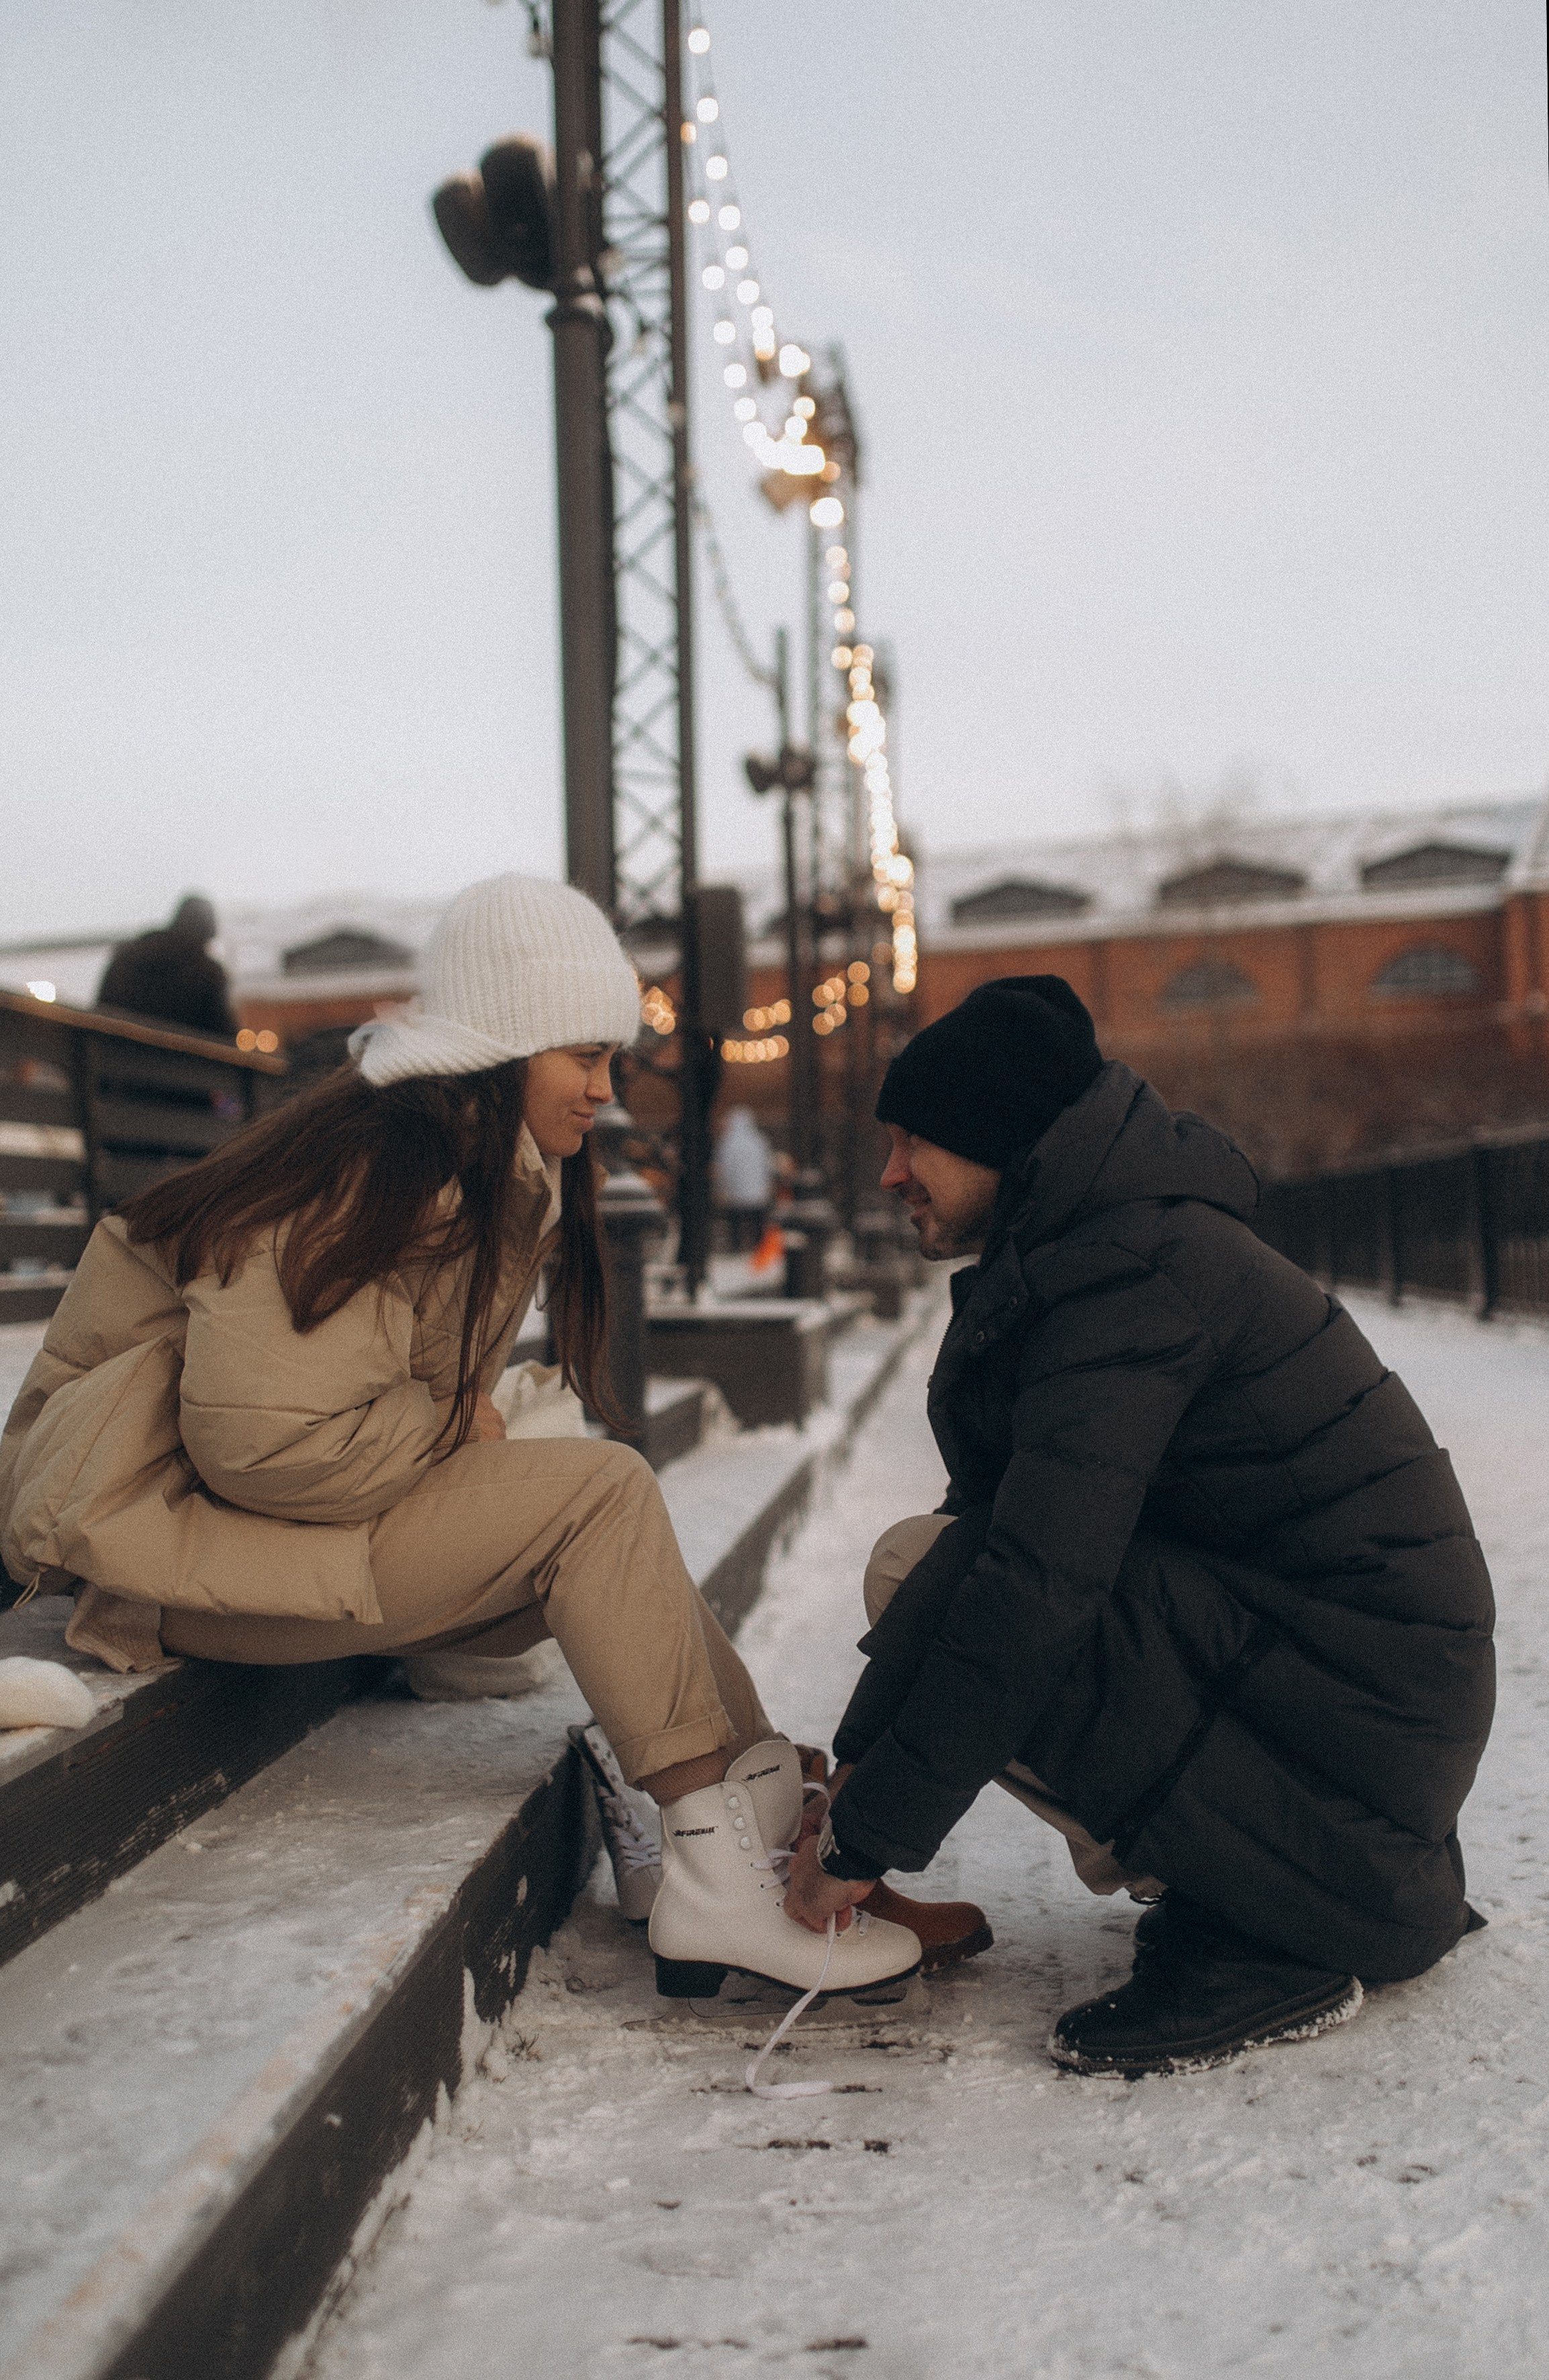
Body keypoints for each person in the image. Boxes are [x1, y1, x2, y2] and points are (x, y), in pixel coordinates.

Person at [0, 873, 935, 2005]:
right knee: (598, 1494)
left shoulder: (467, 1165)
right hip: (158, 1555)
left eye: (611, 1059)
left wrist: (454, 1425)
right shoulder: (370, 1176)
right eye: (583, 1056)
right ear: (502, 1049)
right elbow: (267, 1446)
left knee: (603, 1512)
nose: (604, 1089)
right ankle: (715, 1875)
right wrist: (457, 1423)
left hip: (238, 1531)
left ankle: (763, 1829)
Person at [784, 975, 1495, 2075]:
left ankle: (1269, 1926)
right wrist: (853, 1796)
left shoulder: (1129, 1277)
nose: (889, 1174)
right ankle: (1256, 1881)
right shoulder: (1103, 1249)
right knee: (919, 1566)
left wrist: (861, 1839)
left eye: (912, 1141)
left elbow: (1030, 1592)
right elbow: (993, 1542)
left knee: (997, 1602)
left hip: (1366, 1706)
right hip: (1347, 1689)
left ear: (1000, 1138)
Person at [96, 894, 238, 1039]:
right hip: (174, 1053)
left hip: (108, 1049)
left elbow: (101, 1012)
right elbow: (226, 1036)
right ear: (208, 932)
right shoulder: (206, 973)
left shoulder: (127, 955)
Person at [714, 1106, 773, 1251]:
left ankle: (736, 1247)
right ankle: (759, 1248)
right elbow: (767, 1166)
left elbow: (724, 1169)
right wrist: (766, 1185)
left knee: (735, 1224)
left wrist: (723, 1188)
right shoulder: (760, 1141)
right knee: (758, 1223)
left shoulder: (727, 1143)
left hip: (736, 1194)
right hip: (758, 1194)